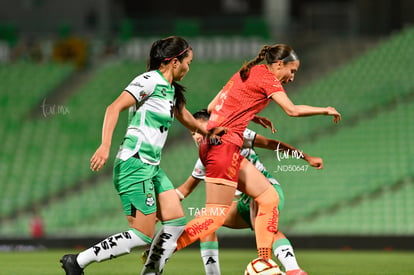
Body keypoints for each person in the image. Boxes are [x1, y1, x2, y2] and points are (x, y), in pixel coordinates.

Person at [172, 44, 341, 266]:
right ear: (279, 64)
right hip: (225, 146)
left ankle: (263, 261)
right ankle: (167, 245)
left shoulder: (247, 72)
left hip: (215, 145)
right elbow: (292, 110)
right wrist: (325, 110)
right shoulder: (268, 79)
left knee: (262, 200)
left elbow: (213, 106)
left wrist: (249, 113)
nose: (292, 78)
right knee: (216, 216)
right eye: (292, 71)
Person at [60, 36, 208, 275]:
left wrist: (213, 131)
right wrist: (104, 146)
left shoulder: (171, 91)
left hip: (152, 167)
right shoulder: (148, 81)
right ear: (173, 62)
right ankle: (77, 262)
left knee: (176, 221)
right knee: (142, 235)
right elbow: (113, 107)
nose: (189, 68)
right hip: (134, 163)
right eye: (187, 62)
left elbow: (187, 119)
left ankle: (150, 272)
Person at [176, 109, 319, 275]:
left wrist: (306, 157)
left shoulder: (235, 136)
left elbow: (270, 144)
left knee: (264, 225)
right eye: (192, 133)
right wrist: (163, 207)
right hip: (244, 202)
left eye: (198, 129)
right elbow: (185, 189)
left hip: (267, 190)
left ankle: (293, 270)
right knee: (206, 220)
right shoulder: (205, 159)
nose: (196, 136)